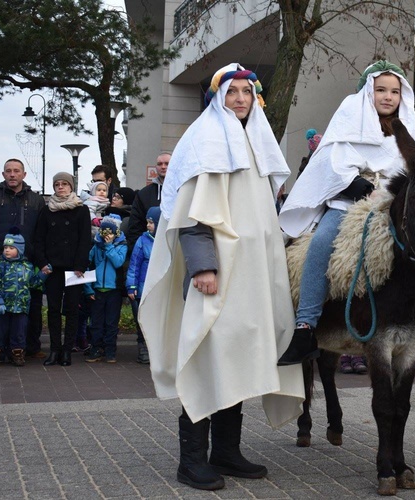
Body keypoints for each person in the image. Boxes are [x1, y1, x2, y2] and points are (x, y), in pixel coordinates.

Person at [139, 63, 304, 491]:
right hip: (217, 275)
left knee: (238, 359)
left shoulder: (256, 145)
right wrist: (204, 267)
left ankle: (226, 452)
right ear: (218, 98)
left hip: (252, 279)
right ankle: (191, 460)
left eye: (247, 92)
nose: (240, 99)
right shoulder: (206, 142)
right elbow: (193, 218)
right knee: (207, 359)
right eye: (232, 92)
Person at [277, 60, 415, 365]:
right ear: (367, 93)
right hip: (349, 204)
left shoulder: (408, 131)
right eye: (381, 90)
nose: (388, 96)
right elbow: (332, 166)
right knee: (320, 245)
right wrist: (362, 188)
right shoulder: (347, 123)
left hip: (394, 205)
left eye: (395, 91)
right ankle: (305, 326)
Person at [0, 159, 46, 359]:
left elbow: (42, 231)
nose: (12, 174)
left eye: (16, 171)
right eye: (8, 171)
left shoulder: (36, 200)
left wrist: (36, 256)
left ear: (24, 174)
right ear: (3, 174)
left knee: (32, 306)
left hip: (28, 264)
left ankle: (30, 346)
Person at [34, 172, 91, 367]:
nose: (60, 187)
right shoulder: (46, 210)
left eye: (64, 184)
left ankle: (67, 351)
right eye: (57, 184)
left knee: (73, 310)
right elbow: (38, 239)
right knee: (53, 310)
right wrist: (42, 263)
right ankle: (55, 350)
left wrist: (80, 265)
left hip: (75, 269)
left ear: (71, 186)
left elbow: (85, 240)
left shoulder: (81, 210)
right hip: (52, 268)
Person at [0, 230, 47, 367]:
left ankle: (17, 353)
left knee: (19, 331)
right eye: (5, 248)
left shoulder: (27, 266)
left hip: (20, 306)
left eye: (11, 248)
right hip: (3, 306)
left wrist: (43, 275)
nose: (7, 250)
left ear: (19, 250)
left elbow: (33, 283)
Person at [84, 215, 128, 363]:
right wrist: (88, 289)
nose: (107, 236)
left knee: (111, 322)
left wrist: (109, 246)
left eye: (110, 233)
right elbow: (87, 268)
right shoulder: (95, 247)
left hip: (113, 290)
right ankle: (96, 348)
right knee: (95, 322)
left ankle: (110, 350)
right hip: (97, 290)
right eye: (104, 233)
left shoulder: (121, 245)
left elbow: (118, 262)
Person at [126, 206, 159, 364]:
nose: (148, 225)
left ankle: (158, 351)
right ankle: (143, 348)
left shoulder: (167, 240)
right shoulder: (142, 240)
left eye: (151, 222)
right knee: (142, 320)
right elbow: (134, 265)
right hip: (142, 289)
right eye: (147, 222)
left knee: (158, 321)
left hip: (159, 290)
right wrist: (131, 286)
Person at [126, 152, 171, 246]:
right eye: (159, 164)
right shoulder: (144, 194)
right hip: (150, 248)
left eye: (167, 163)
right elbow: (135, 225)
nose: (163, 166)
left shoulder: (182, 190)